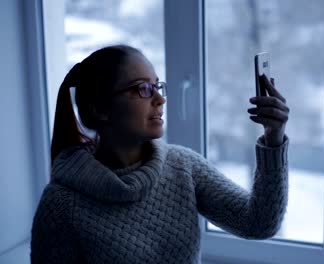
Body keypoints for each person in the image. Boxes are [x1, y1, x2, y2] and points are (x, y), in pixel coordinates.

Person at [30, 45, 290, 264]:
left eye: (157, 86)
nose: (160, 99)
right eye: (142, 88)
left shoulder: (182, 166)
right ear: (99, 109)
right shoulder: (61, 205)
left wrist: (274, 138)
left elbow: (259, 222)